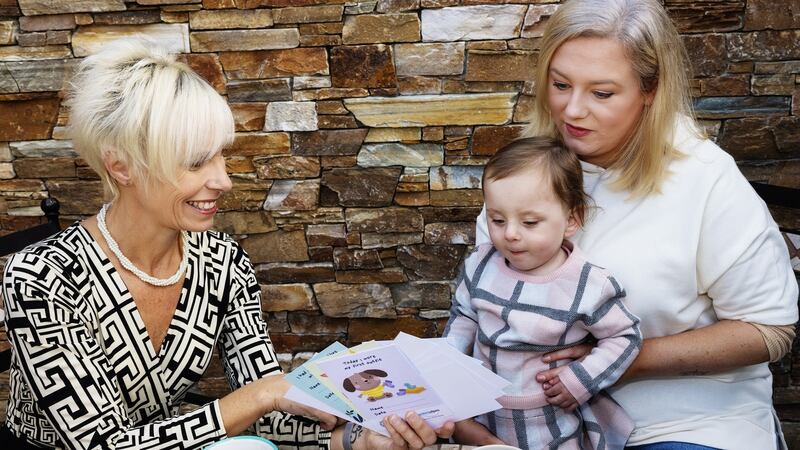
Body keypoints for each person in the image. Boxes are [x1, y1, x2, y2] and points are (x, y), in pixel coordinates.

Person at [0, 38, 452, 450]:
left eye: (221, 155)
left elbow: (267, 405)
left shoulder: (221, 261)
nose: (223, 180)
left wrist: (359, 438)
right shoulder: (40, 277)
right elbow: (104, 444)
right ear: (121, 167)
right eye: (197, 162)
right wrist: (260, 396)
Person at [472, 1, 799, 449]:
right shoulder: (527, 173)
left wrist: (615, 359)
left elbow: (769, 330)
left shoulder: (704, 176)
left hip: (685, 421)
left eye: (602, 94)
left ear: (650, 89)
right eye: (560, 84)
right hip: (546, 426)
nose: (573, 111)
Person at [445, 137, 642, 449]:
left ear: (571, 220)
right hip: (485, 417)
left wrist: (582, 378)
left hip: (552, 422)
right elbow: (464, 318)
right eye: (497, 219)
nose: (510, 233)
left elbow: (625, 337)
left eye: (530, 222)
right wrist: (447, 364)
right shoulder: (481, 265)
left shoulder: (587, 283)